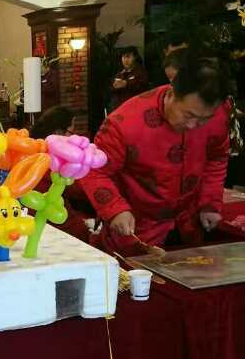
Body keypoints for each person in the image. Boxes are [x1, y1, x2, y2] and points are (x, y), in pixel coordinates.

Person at [81, 52, 232, 255]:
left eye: (203, 120)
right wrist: (115, 209)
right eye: (188, 115)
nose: (193, 125)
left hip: (189, 224)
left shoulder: (218, 114)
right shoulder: (124, 122)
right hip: (136, 228)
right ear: (172, 93)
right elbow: (94, 170)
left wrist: (210, 203)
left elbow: (217, 157)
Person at [110, 46, 149, 110]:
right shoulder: (120, 73)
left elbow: (143, 87)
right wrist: (114, 87)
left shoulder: (141, 72)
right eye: (123, 57)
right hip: (120, 108)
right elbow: (112, 90)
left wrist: (126, 84)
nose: (125, 60)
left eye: (128, 56)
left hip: (135, 107)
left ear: (135, 57)